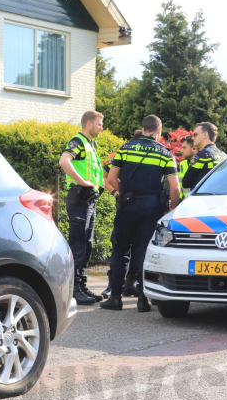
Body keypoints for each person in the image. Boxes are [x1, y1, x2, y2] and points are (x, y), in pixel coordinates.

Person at [101, 115, 180, 312]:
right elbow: (175, 188)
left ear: (143, 128)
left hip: (128, 205)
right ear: (158, 131)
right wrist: (172, 209)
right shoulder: (165, 152)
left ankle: (116, 298)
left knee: (120, 250)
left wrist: (118, 194)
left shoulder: (126, 148)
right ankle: (143, 299)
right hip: (152, 207)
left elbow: (110, 179)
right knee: (144, 251)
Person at [59, 110, 105, 305]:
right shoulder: (78, 142)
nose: (102, 127)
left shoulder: (91, 144)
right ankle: (73, 289)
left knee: (87, 244)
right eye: (99, 124)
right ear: (88, 124)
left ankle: (81, 284)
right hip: (79, 199)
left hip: (89, 200)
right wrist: (83, 182)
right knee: (78, 245)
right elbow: (64, 161)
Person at [101, 129, 144, 299]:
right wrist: (117, 193)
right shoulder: (125, 153)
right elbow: (105, 176)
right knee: (121, 247)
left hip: (134, 208)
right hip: (127, 207)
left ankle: (129, 285)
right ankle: (114, 285)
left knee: (132, 248)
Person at [182, 123, 226, 191]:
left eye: (195, 135)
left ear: (205, 134)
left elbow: (186, 183)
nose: (193, 138)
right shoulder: (224, 155)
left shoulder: (202, 155)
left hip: (203, 198)